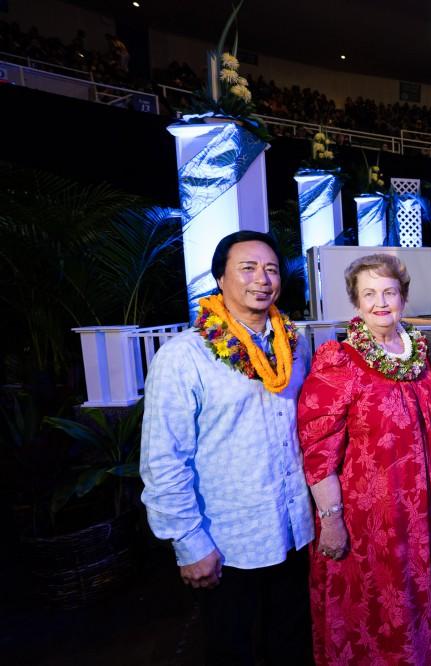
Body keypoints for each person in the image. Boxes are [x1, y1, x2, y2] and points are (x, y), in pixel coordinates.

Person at [140, 230, 313, 665]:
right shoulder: (185, 356)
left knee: (292, 647)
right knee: (233, 651)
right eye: (248, 268)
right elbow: (163, 460)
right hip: (229, 544)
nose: (263, 279)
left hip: (294, 532)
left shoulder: (294, 347)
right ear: (220, 279)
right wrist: (189, 543)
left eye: (271, 269)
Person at [296, 254, 431, 665]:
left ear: (403, 298)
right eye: (369, 294)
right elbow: (317, 449)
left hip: (430, 515)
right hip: (374, 521)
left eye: (389, 292)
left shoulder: (420, 352)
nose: (381, 303)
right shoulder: (339, 360)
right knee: (381, 613)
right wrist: (332, 520)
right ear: (356, 302)